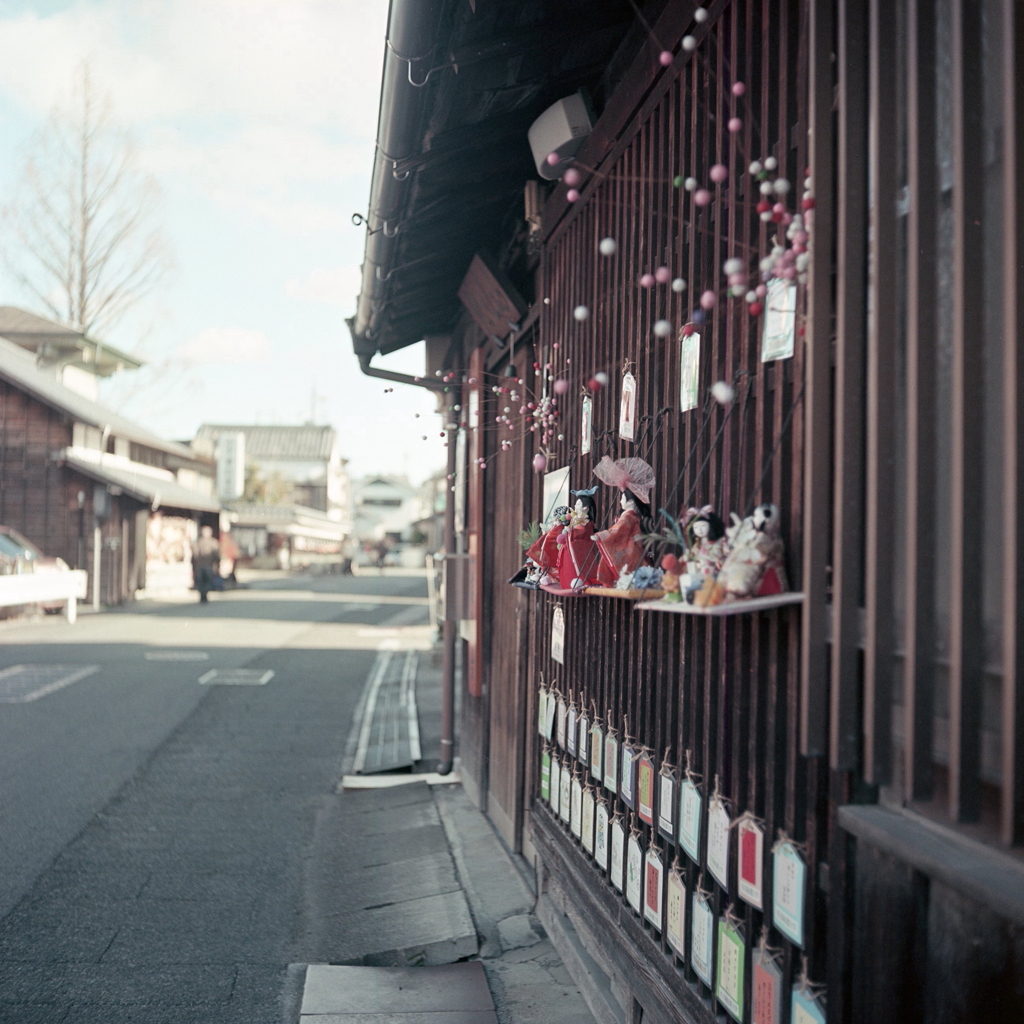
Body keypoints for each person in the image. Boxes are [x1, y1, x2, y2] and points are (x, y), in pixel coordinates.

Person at [193, 525, 220, 603]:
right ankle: (203, 594)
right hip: (202, 565)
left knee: (206, 581)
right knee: (202, 581)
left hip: (207, 565)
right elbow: (195, 555)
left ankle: (204, 594)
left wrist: (216, 566)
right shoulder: (200, 542)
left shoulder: (212, 542)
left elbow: (216, 556)